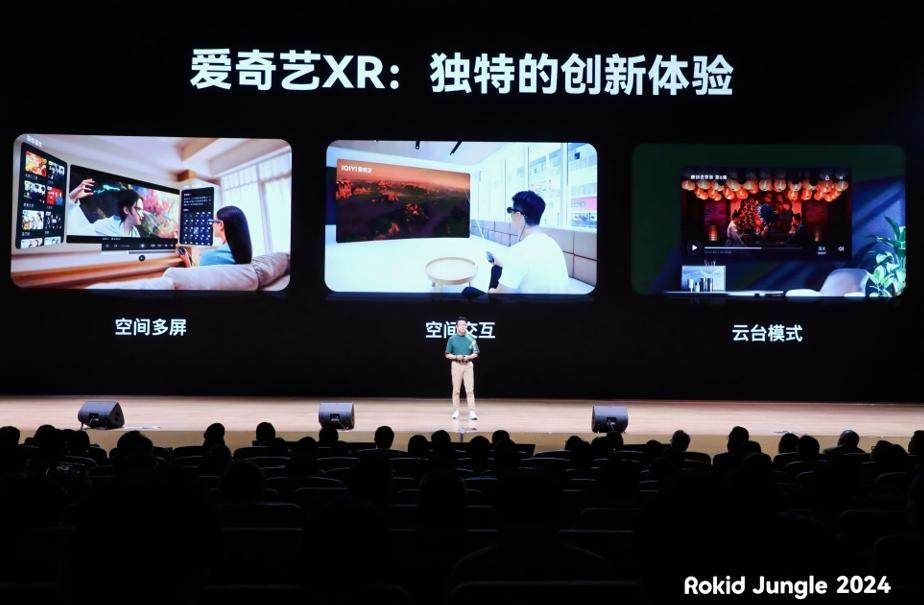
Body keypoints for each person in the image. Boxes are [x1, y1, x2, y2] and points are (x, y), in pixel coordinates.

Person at [483, 191, 570, 294]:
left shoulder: (518, 251)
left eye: (511, 211)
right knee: (497, 270)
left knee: (469, 291)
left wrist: (491, 291)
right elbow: (534, 269)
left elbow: (499, 295)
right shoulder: (553, 244)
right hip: (558, 303)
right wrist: (503, 264)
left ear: (518, 215)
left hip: (528, 304)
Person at [178, 205, 253, 267]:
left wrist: (187, 265)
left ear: (220, 224)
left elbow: (199, 280)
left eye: (213, 221)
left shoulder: (208, 256)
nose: (212, 225)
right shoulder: (245, 255)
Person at [445, 316, 479, 420]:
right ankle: (455, 411)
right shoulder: (452, 339)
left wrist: (468, 357)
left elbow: (476, 353)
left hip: (468, 365)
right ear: (456, 326)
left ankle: (472, 412)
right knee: (456, 390)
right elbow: (447, 354)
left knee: (470, 390)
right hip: (456, 364)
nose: (463, 326)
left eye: (464, 325)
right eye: (461, 325)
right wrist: (456, 357)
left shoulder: (471, 338)